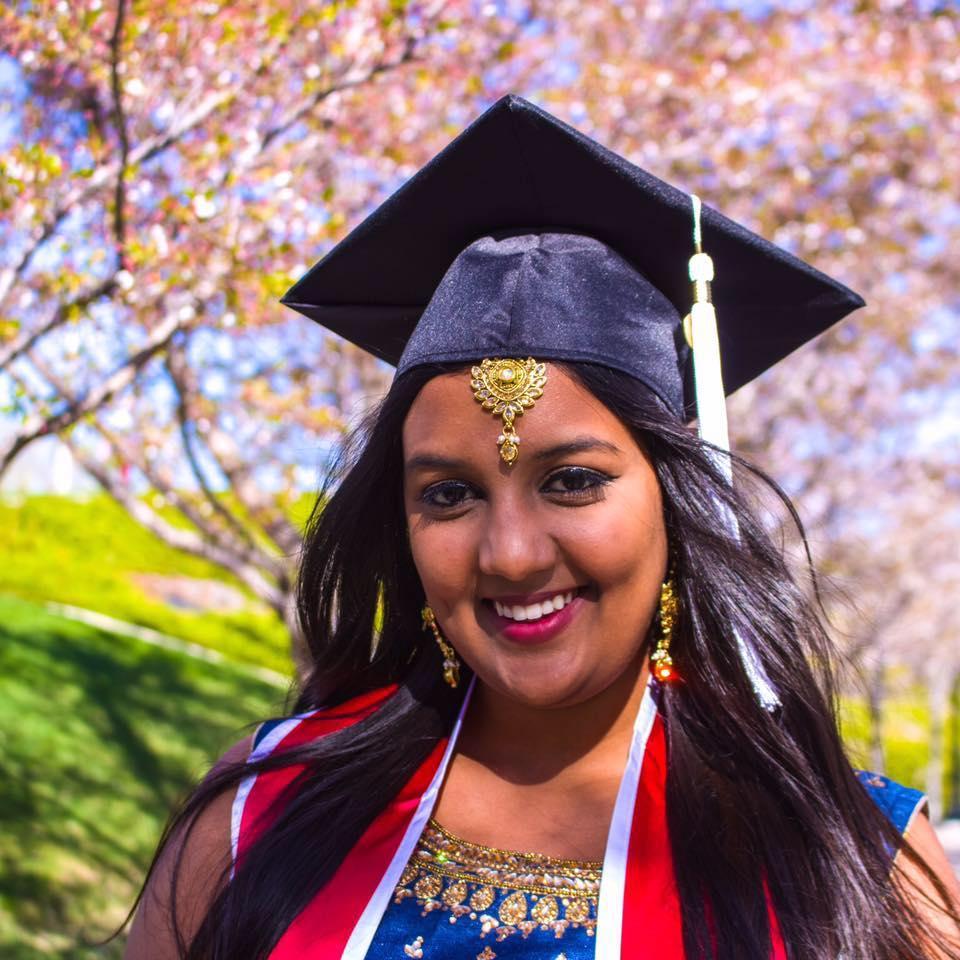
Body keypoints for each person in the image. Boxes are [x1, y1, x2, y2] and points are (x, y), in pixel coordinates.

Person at [124, 95, 960, 960]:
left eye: (573, 481)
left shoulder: (851, 863)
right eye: (450, 495)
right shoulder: (261, 814)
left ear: (678, 502)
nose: (512, 554)